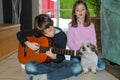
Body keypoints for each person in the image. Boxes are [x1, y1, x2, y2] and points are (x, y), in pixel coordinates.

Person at [17, 14, 82, 80]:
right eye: (45, 34)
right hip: (43, 63)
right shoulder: (40, 31)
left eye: (50, 30)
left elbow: (60, 58)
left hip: (58, 63)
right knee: (29, 67)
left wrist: (54, 57)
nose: (49, 34)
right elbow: (20, 34)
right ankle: (61, 72)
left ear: (52, 23)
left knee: (78, 67)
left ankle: (45, 77)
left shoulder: (61, 37)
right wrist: (28, 44)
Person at [67, 0, 105, 71]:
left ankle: (87, 64)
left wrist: (90, 51)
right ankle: (82, 65)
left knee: (102, 66)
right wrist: (79, 50)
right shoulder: (71, 26)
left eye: (83, 9)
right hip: (76, 53)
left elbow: (93, 40)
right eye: (77, 10)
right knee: (76, 69)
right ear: (74, 13)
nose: (80, 12)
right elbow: (70, 42)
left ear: (86, 11)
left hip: (89, 52)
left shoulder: (91, 25)